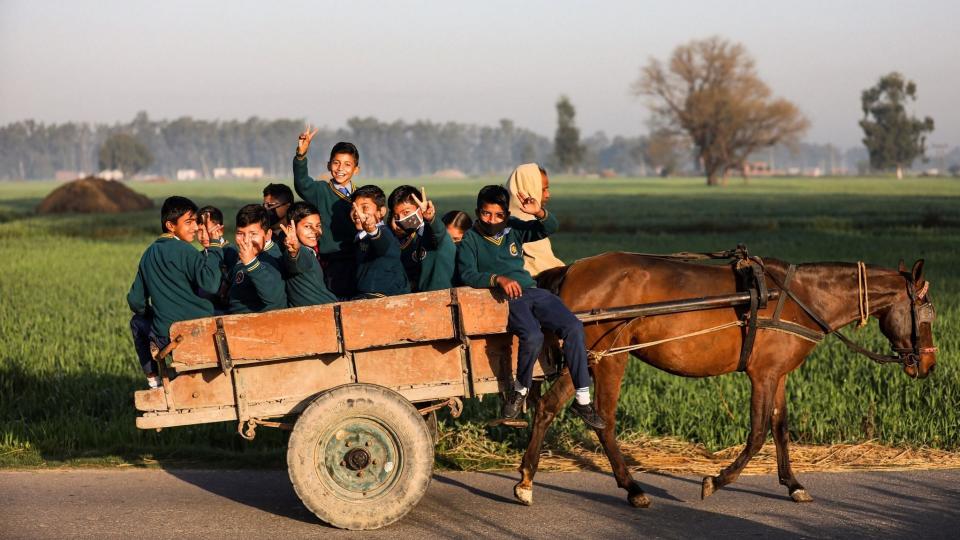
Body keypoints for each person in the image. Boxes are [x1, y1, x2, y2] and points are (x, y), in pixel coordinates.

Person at [456, 185, 605, 429]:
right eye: (486, 214)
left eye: (498, 215)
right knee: (532, 336)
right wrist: (498, 279)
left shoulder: (513, 228)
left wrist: (539, 212)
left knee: (574, 327)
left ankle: (582, 399)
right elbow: (468, 273)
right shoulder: (471, 239)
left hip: (533, 291)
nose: (492, 220)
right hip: (508, 297)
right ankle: (520, 389)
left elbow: (549, 228)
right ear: (477, 212)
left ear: (506, 214)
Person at [127, 196, 225, 388]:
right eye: (188, 222)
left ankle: (153, 378)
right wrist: (215, 246)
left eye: (195, 222)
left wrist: (156, 314)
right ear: (170, 226)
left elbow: (135, 301)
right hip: (197, 330)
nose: (195, 228)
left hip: (165, 336)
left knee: (137, 322)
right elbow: (211, 283)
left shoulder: (147, 255)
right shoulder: (184, 250)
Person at [293, 126, 360, 299]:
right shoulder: (321, 190)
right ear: (329, 165)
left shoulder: (361, 196)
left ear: (356, 170)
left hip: (359, 258)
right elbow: (302, 183)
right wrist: (301, 155)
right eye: (336, 163)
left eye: (347, 164)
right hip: (333, 261)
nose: (340, 168)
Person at [387, 185, 456, 292]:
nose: (401, 219)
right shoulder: (406, 239)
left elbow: (439, 233)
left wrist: (431, 218)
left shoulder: (431, 232)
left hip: (441, 300)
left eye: (406, 212)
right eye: (397, 216)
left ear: (419, 210)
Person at [505, 163, 565, 277]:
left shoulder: (508, 216)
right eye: (543, 190)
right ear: (529, 188)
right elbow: (543, 266)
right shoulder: (522, 221)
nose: (548, 195)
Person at [226, 204, 287, 314]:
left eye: (253, 234)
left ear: (268, 235)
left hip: (258, 325)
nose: (246, 240)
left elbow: (272, 296)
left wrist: (251, 262)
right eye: (240, 233)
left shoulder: (272, 258)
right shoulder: (246, 252)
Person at [350, 185, 409, 299]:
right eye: (354, 208)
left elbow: (381, 245)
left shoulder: (385, 233)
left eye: (365, 207)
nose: (357, 213)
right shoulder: (360, 237)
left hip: (384, 301)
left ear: (381, 211)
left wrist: (372, 230)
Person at [276, 202, 338, 307]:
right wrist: (294, 252)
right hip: (321, 314)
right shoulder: (302, 251)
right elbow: (295, 263)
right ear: (292, 229)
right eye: (308, 226)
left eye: (318, 226)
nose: (316, 231)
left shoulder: (311, 250)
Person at [196, 205, 238, 312]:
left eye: (209, 231)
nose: (204, 236)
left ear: (221, 230)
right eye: (200, 231)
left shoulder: (232, 253)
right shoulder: (198, 256)